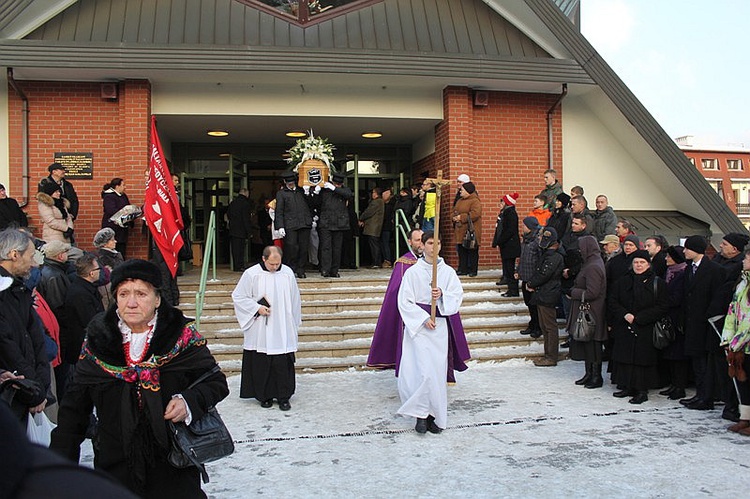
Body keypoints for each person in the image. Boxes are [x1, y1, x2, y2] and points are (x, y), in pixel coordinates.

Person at [50, 259, 229, 497]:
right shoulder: (97, 343)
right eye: (123, 293)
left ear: (157, 299)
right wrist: (58, 468)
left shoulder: (182, 338)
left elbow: (215, 382)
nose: (131, 303)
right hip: (115, 464)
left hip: (172, 463)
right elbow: (74, 410)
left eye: (141, 294)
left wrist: (188, 402)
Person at [397, 232, 467, 434]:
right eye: (429, 243)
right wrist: (422, 319)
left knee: (435, 374)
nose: (433, 246)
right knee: (420, 372)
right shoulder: (413, 272)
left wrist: (443, 295)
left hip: (439, 327)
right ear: (423, 246)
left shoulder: (447, 272)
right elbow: (404, 301)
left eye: (437, 242)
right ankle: (420, 415)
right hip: (419, 329)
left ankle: (434, 415)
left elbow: (457, 295)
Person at [232, 246, 301, 411]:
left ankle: (284, 396)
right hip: (261, 326)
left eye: (277, 264)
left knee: (282, 362)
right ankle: (264, 396)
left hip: (282, 325)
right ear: (264, 259)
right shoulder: (251, 274)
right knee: (262, 361)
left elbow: (295, 298)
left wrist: (293, 322)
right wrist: (257, 308)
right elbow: (238, 296)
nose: (275, 267)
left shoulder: (287, 273)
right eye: (271, 264)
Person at [0, 228, 51, 424]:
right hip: (13, 393)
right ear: (14, 254)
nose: (33, 263)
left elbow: (35, 339)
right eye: (30, 256)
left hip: (25, 389)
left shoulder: (20, 289)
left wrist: (39, 386)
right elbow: (7, 345)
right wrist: (33, 389)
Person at [608, 250, 668, 404]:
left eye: (642, 262)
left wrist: (640, 318)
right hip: (625, 325)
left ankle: (642, 390)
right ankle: (627, 386)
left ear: (648, 264)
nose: (639, 265)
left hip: (646, 327)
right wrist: (625, 314)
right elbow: (613, 300)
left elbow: (663, 305)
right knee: (625, 357)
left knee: (643, 360)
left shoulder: (657, 282)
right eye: (636, 262)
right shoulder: (623, 281)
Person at [680, 235, 727, 411]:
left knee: (705, 363)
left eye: (687, 248)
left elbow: (717, 297)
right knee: (697, 362)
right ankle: (700, 394)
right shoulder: (688, 269)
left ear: (696, 250)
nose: (684, 251)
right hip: (692, 323)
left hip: (706, 323)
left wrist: (710, 317)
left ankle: (707, 397)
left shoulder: (715, 270)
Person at [367, 228, 424, 370]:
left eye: (423, 240)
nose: (421, 244)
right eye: (417, 240)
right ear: (410, 242)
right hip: (410, 309)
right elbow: (395, 290)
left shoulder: (431, 262)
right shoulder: (403, 263)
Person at [57, 253, 104, 402]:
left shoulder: (86, 288)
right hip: (83, 349)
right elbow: (90, 321)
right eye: (98, 269)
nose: (100, 272)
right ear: (91, 273)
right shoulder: (80, 294)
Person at [567, 235, 607, 388]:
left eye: (581, 247)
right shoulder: (590, 263)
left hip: (593, 311)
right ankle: (589, 373)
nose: (579, 250)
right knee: (587, 344)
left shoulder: (594, 266)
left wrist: (574, 293)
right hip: (588, 309)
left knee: (593, 344)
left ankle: (596, 376)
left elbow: (593, 292)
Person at [720, 248, 750, 435]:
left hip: (744, 341)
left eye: (747, 258)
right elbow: (732, 312)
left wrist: (736, 342)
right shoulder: (743, 282)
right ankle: (745, 417)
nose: (743, 261)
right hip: (740, 345)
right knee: (743, 382)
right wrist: (727, 338)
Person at [527, 227, 564, 367]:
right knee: (545, 326)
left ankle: (551, 356)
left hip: (548, 294)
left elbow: (544, 273)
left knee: (549, 327)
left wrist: (531, 283)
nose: (540, 239)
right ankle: (548, 354)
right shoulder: (549, 254)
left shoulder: (554, 256)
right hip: (543, 293)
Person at [659, 245, 689, 401]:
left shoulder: (682, 274)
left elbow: (678, 297)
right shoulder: (669, 273)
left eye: (669, 257)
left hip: (677, 319)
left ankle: (680, 386)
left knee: (678, 355)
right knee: (670, 353)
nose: (666, 259)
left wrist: (661, 303)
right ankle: (673, 384)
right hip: (668, 317)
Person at [274, 172, 314, 278]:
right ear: (285, 182)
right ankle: (291, 268)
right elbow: (279, 211)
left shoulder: (302, 191)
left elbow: (313, 204)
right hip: (290, 224)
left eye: (292, 183)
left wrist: (308, 193)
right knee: (291, 247)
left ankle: (301, 269)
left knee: (304, 248)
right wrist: (280, 226)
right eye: (288, 183)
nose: (290, 184)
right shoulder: (281, 193)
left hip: (304, 223)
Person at [317, 172, 353, 278]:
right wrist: (316, 192)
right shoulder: (325, 191)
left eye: (338, 184)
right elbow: (316, 203)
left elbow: (348, 195)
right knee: (326, 248)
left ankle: (334, 270)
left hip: (339, 223)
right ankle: (325, 269)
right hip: (326, 222)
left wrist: (334, 188)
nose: (337, 185)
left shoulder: (344, 190)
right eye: (335, 184)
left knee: (337, 248)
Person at [517, 217, 542, 338]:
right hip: (525, 276)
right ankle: (532, 324)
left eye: (524, 225)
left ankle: (537, 327)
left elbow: (540, 260)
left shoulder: (537, 241)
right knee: (528, 304)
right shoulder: (525, 240)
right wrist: (518, 271)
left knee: (534, 305)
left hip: (533, 279)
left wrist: (536, 280)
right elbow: (522, 258)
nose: (522, 227)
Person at [492, 192, 520, 295]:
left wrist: (500, 240)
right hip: (507, 245)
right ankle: (509, 286)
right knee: (507, 267)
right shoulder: (505, 213)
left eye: (502, 201)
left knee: (510, 268)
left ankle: (513, 290)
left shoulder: (510, 213)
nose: (501, 203)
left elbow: (510, 230)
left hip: (510, 245)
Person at [452, 182, 482, 277]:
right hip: (460, 229)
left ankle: (473, 269)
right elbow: (454, 210)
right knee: (462, 250)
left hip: (470, 230)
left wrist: (462, 217)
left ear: (468, 191)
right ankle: (463, 268)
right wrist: (454, 217)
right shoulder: (460, 200)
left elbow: (476, 214)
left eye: (462, 190)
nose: (460, 191)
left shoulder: (475, 201)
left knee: (472, 250)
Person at [100, 178, 131, 258]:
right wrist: (124, 213)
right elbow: (111, 210)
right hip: (113, 228)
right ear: (117, 186)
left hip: (122, 228)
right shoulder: (109, 197)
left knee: (121, 251)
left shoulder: (123, 196)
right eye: (123, 185)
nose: (125, 187)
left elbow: (128, 207)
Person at [227, 188, 254, 272]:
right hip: (241, 230)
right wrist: (249, 231)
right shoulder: (245, 204)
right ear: (246, 193)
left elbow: (228, 214)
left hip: (233, 229)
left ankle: (236, 266)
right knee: (241, 249)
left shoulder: (232, 203)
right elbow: (246, 219)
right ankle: (240, 265)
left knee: (235, 249)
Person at [359, 187, 385, 269]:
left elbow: (368, 212)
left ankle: (376, 262)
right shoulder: (380, 202)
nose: (372, 194)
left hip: (373, 228)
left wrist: (361, 218)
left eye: (374, 192)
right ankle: (376, 262)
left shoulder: (376, 202)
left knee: (374, 246)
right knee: (374, 245)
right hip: (374, 227)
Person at [380, 187, 395, 268]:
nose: (384, 195)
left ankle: (387, 260)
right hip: (383, 226)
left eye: (386, 193)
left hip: (387, 227)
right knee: (383, 243)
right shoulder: (383, 204)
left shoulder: (390, 205)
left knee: (385, 243)